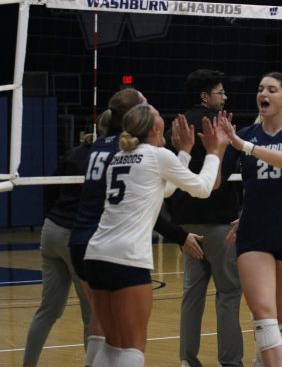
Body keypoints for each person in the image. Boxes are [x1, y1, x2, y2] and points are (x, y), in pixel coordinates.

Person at [68, 88, 204, 366]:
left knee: (106, 334)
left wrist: (184, 154)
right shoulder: (143, 153)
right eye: (147, 105)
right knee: (130, 345)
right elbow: (191, 188)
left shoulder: (108, 149)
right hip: (121, 251)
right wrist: (213, 153)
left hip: (90, 246)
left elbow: (158, 190)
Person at [219, 72, 282, 367]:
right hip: (254, 234)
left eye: (272, 89)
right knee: (263, 313)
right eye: (260, 88)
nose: (264, 93)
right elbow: (215, 183)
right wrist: (221, 145)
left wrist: (243, 146)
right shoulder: (245, 133)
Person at [167, 69, 243, 367]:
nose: (224, 97)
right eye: (220, 92)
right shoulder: (216, 125)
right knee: (229, 291)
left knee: (192, 294)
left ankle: (187, 361)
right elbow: (223, 174)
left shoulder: (180, 123)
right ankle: (231, 362)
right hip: (217, 221)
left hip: (185, 224)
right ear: (205, 96)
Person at [22, 126, 104, 366]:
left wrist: (52, 215)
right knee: (91, 312)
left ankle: (28, 364)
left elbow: (51, 188)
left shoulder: (73, 153)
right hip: (75, 236)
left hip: (51, 230)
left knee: (48, 309)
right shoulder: (108, 157)